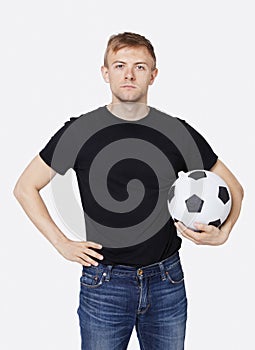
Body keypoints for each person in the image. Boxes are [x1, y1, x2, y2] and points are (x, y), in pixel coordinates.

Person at [13, 32, 244, 350]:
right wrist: (61, 243)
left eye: (140, 66)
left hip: (167, 280)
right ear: (105, 73)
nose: (129, 74)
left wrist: (225, 231)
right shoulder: (80, 131)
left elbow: (234, 188)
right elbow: (25, 187)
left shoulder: (176, 130)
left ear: (153, 74)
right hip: (104, 283)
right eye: (119, 65)